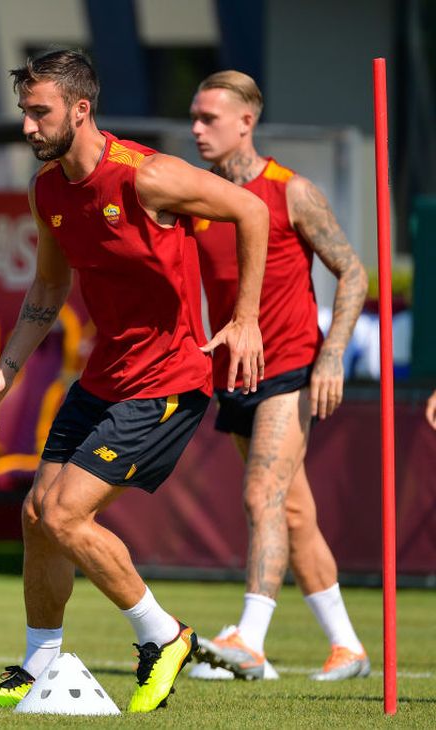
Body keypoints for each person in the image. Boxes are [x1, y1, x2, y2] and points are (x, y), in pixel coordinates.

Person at [0, 50, 268, 713]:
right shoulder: (47, 190)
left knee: (67, 513)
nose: (28, 126)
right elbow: (47, 285)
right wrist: (2, 374)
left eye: (39, 112)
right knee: (38, 517)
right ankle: (37, 669)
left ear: (80, 109)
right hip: (105, 378)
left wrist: (243, 320)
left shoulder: (149, 176)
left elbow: (252, 212)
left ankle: (164, 636)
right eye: (24, 112)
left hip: (171, 382)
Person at [189, 70, 370, 682]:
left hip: (291, 365)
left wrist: (333, 354)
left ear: (246, 122)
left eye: (208, 118)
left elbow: (353, 272)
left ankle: (252, 641)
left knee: (260, 495)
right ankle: (349, 647)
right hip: (232, 374)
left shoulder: (292, 191)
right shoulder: (201, 197)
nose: (196, 128)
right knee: (293, 513)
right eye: (194, 116)